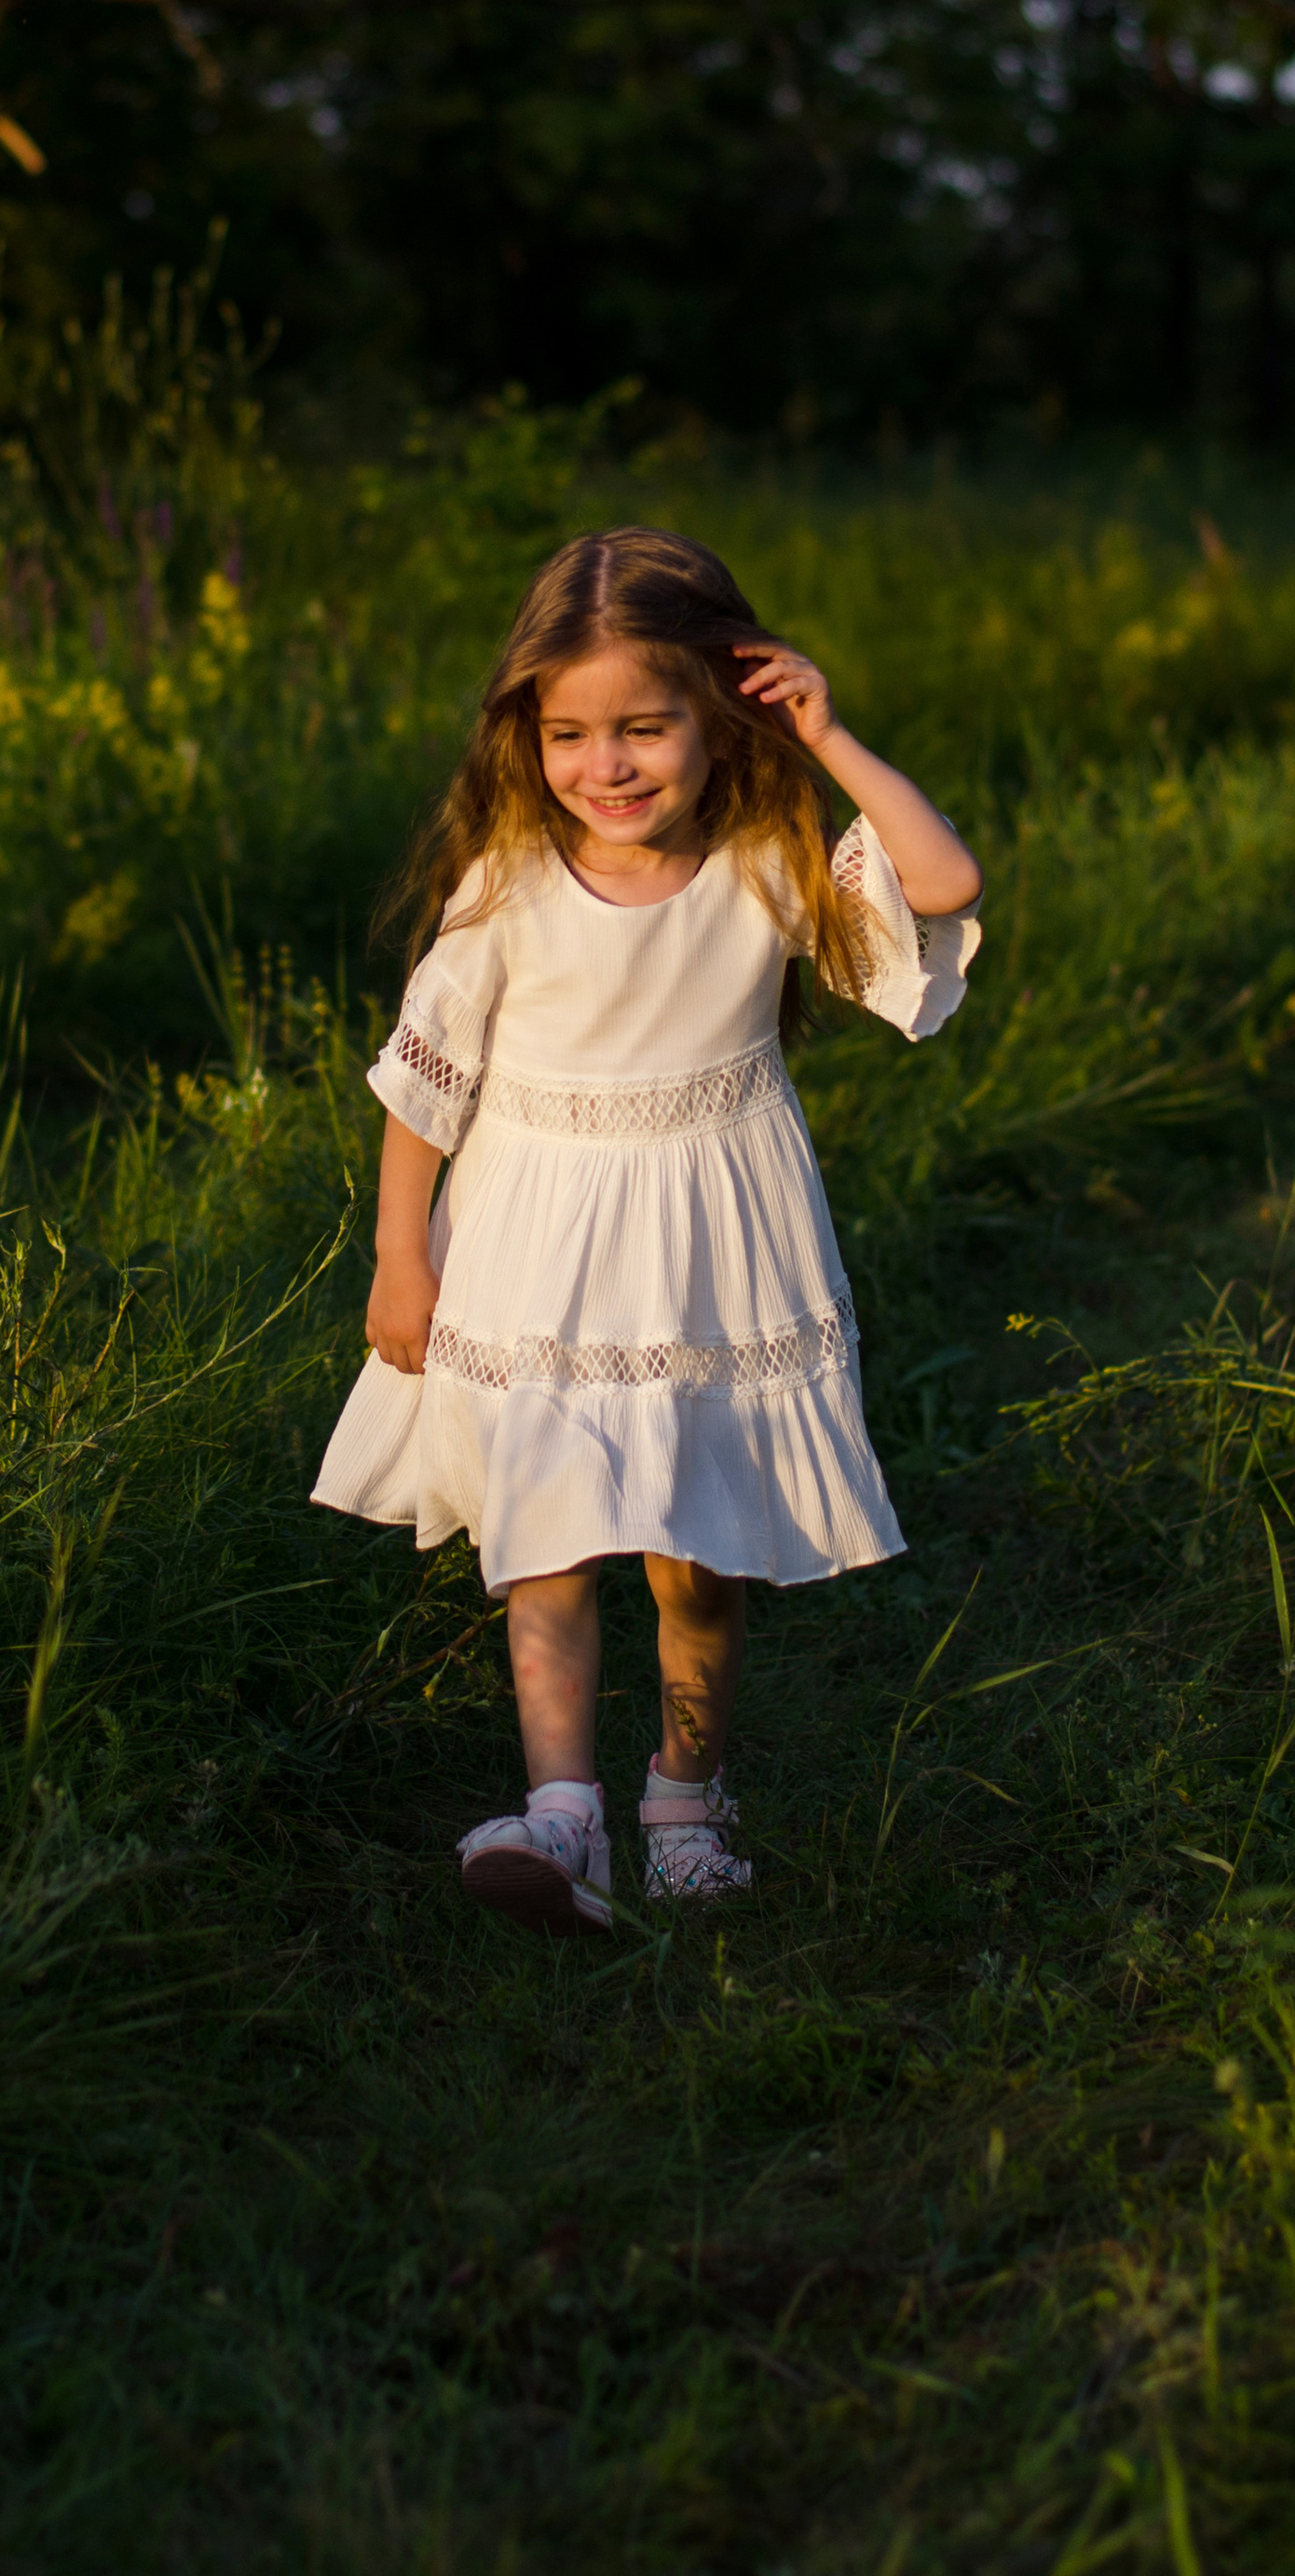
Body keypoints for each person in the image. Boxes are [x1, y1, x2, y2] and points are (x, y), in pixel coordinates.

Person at [311, 525, 982, 1934]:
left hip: (710, 1250)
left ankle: (684, 1795)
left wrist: (832, 736)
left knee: (699, 1556)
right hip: (536, 1245)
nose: (605, 767)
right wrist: (399, 1254)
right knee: (543, 1541)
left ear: (721, 713)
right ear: (528, 733)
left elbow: (943, 887)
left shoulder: (765, 861)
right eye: (568, 733)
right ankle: (564, 1822)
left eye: (643, 727)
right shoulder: (506, 884)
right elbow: (422, 1088)